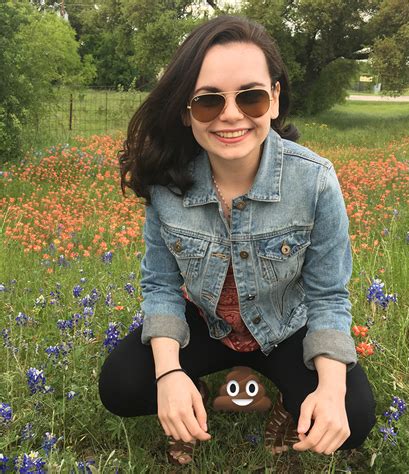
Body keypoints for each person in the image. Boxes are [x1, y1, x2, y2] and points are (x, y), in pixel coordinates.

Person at [99, 15, 376, 466]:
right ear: (186, 111)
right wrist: (169, 375)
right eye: (208, 101)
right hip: (206, 323)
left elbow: (327, 296)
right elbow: (161, 286)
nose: (231, 114)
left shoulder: (314, 181)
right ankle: (192, 394)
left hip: (284, 327)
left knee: (354, 415)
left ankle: (287, 403)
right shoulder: (168, 183)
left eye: (250, 96)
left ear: (274, 98)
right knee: (122, 385)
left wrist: (330, 387)